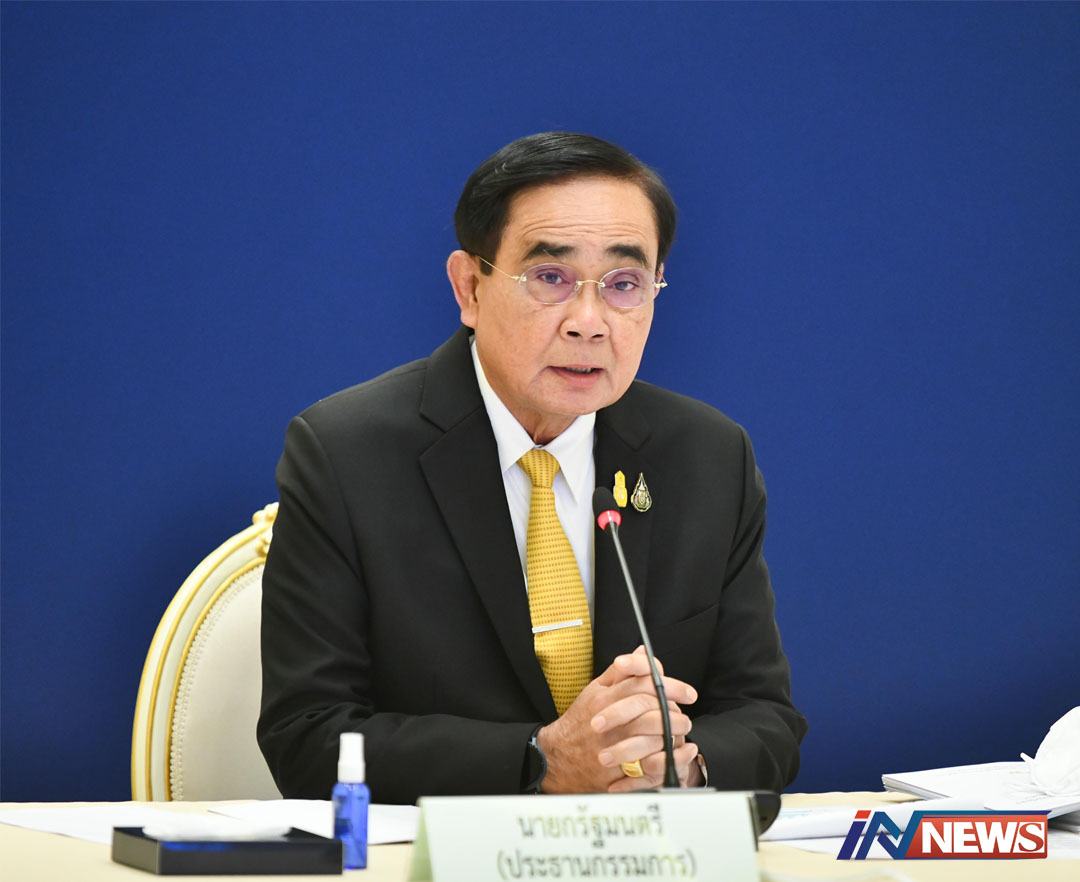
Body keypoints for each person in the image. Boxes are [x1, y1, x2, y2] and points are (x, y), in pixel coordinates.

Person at [258, 132, 806, 804]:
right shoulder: (347, 454)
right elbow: (308, 736)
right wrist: (539, 764)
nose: (589, 322)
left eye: (624, 284)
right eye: (550, 278)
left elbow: (765, 718)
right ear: (470, 286)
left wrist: (681, 766)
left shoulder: (707, 457)